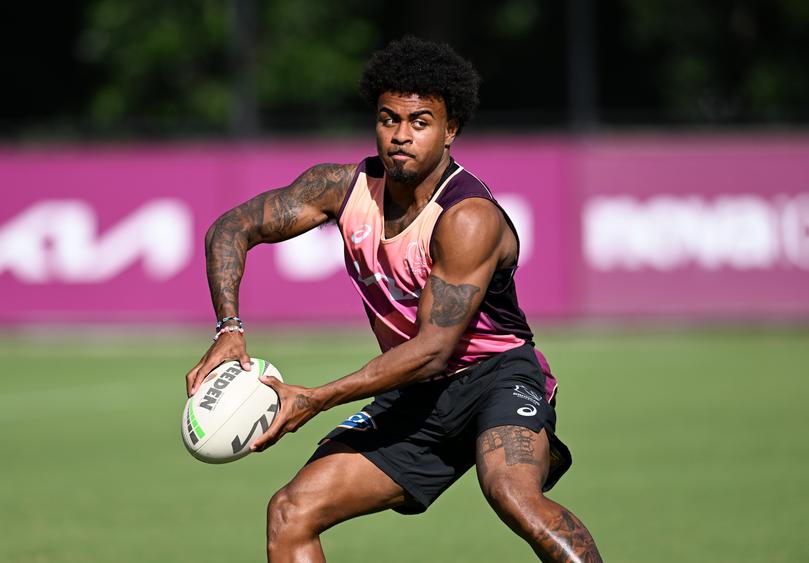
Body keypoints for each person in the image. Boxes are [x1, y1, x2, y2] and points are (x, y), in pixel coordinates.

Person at [185, 36, 603, 563]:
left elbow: (433, 347)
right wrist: (229, 328)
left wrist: (316, 398)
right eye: (389, 119)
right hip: (417, 392)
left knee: (512, 493)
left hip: (497, 377)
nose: (401, 136)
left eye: (420, 122)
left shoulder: (468, 218)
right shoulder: (339, 188)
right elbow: (231, 228)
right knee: (291, 511)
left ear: (451, 130)